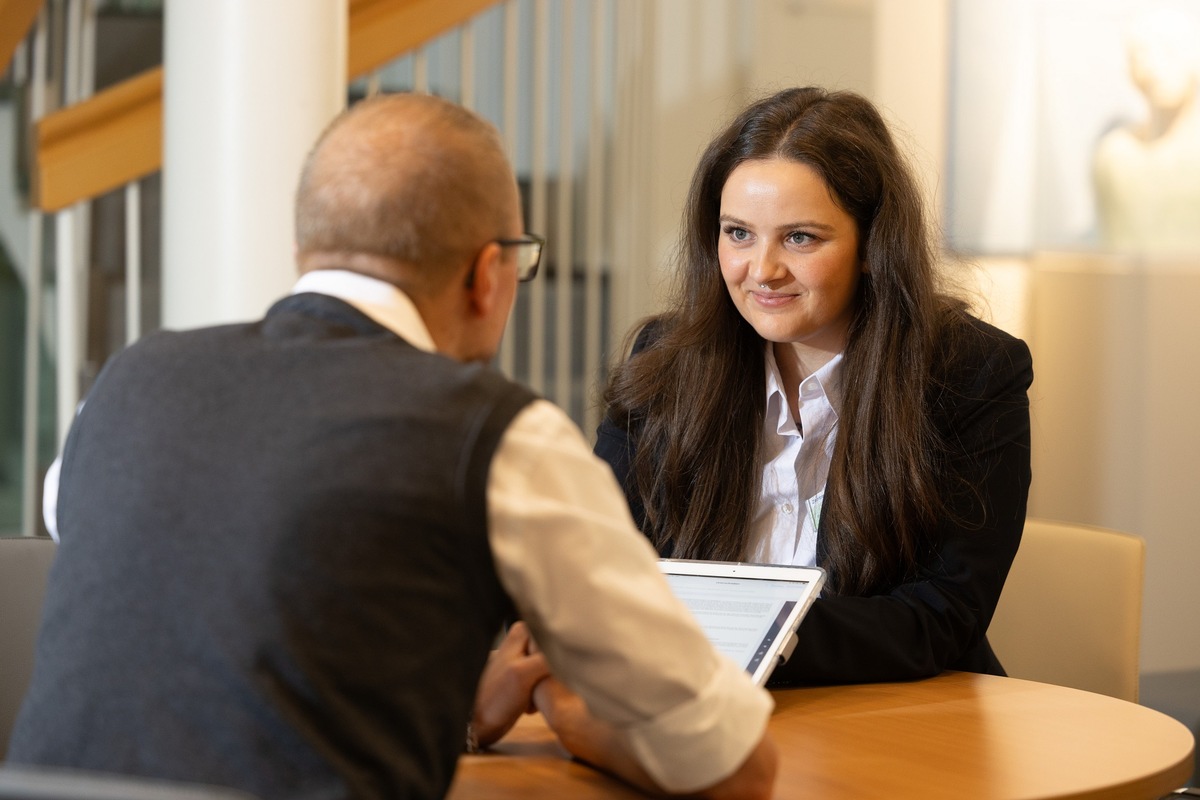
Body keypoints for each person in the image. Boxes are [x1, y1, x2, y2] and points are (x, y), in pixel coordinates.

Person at [7, 93, 776, 799]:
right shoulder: (498, 437)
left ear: (309, 250)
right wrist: (574, 719)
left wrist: (458, 705)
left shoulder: (121, 388)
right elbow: (733, 761)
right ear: (488, 274)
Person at [595, 86, 1034, 685]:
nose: (762, 270)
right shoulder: (664, 366)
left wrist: (748, 638)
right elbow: (597, 563)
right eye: (738, 233)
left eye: (800, 238)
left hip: (894, 721)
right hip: (687, 715)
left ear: (872, 247)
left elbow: (942, 615)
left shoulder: (970, 373)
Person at [1093, 7, 1200, 253]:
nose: (1155, 66)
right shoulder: (1114, 155)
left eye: (1169, 50)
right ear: (1130, 69)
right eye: (1142, 55)